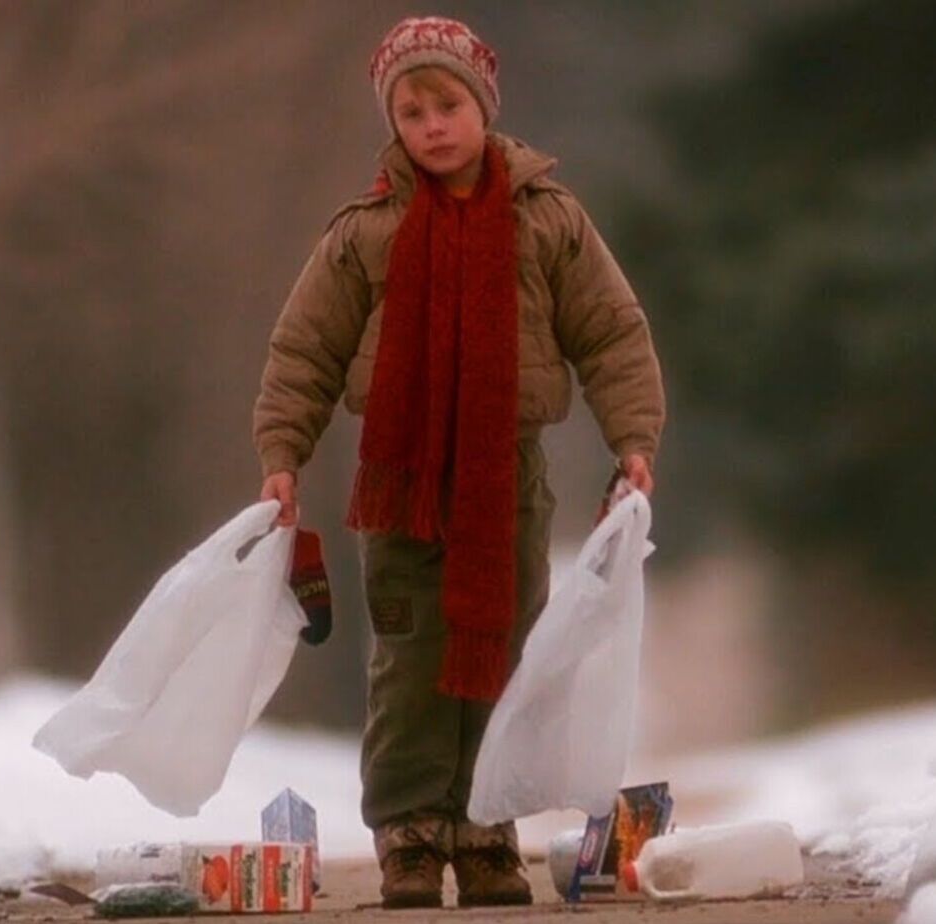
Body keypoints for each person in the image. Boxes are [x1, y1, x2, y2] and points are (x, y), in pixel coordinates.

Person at [251, 16, 665, 908]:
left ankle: (485, 833)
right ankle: (406, 833)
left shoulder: (549, 220)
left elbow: (610, 333)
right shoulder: (367, 233)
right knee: (407, 655)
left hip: (507, 478)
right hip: (399, 476)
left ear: (483, 105)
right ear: (393, 125)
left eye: (448, 105)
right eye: (411, 112)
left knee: (504, 651)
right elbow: (304, 352)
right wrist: (283, 454)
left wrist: (632, 440)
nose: (433, 125)